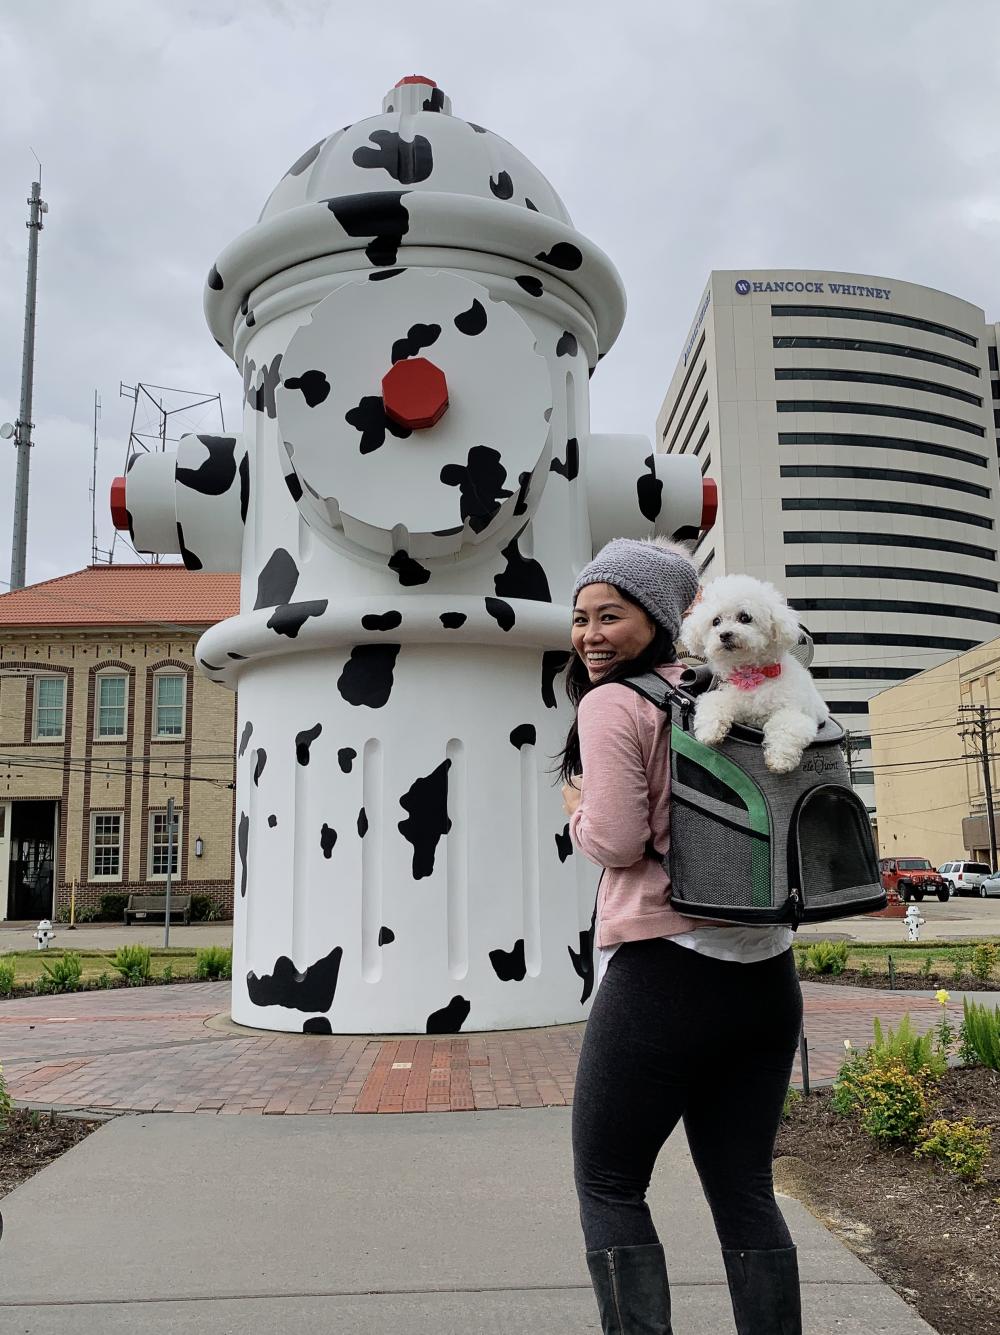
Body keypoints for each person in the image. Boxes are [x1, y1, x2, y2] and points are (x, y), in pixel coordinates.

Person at [560, 537, 803, 1335]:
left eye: (610, 616)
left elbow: (621, 841)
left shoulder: (615, 704)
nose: (591, 634)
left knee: (609, 1183)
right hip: (768, 975)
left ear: (662, 617)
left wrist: (576, 816)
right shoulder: (734, 684)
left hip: (667, 975)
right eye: (581, 618)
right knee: (744, 1189)